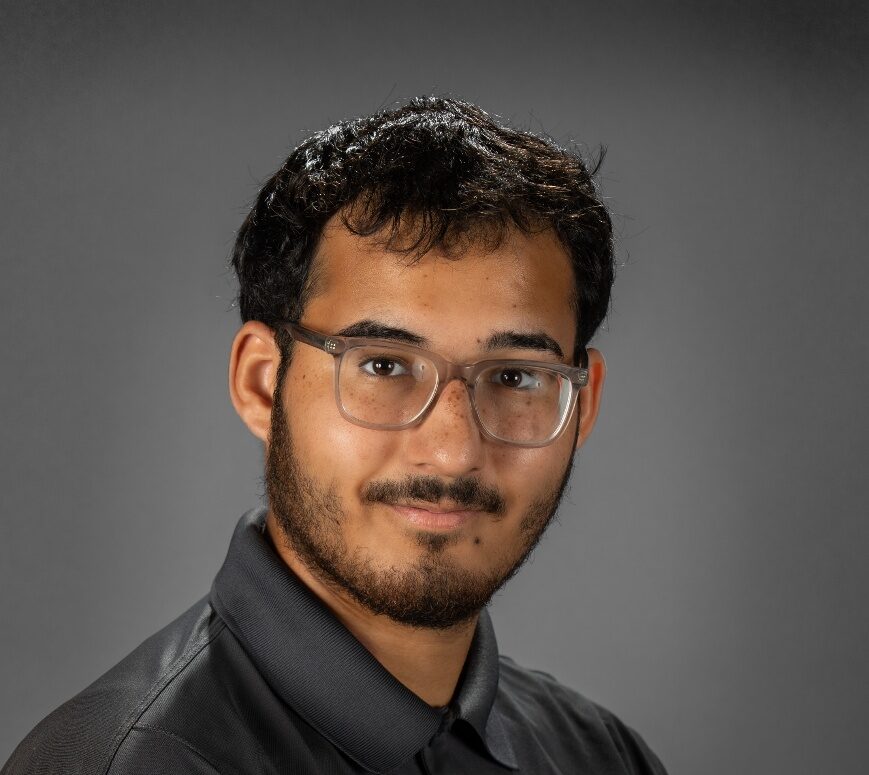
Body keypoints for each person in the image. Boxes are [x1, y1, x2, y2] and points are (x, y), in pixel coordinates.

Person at [3, 97, 667, 774]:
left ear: (581, 408)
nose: (452, 450)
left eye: (516, 377)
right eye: (383, 365)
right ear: (262, 383)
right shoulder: (123, 762)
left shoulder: (599, 755)